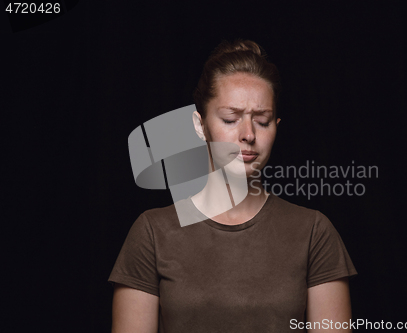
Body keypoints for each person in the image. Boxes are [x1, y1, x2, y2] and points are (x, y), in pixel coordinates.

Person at [108, 39, 357, 332]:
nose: (248, 134)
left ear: (277, 125)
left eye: (262, 121)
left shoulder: (314, 232)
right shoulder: (152, 232)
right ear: (200, 125)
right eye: (230, 119)